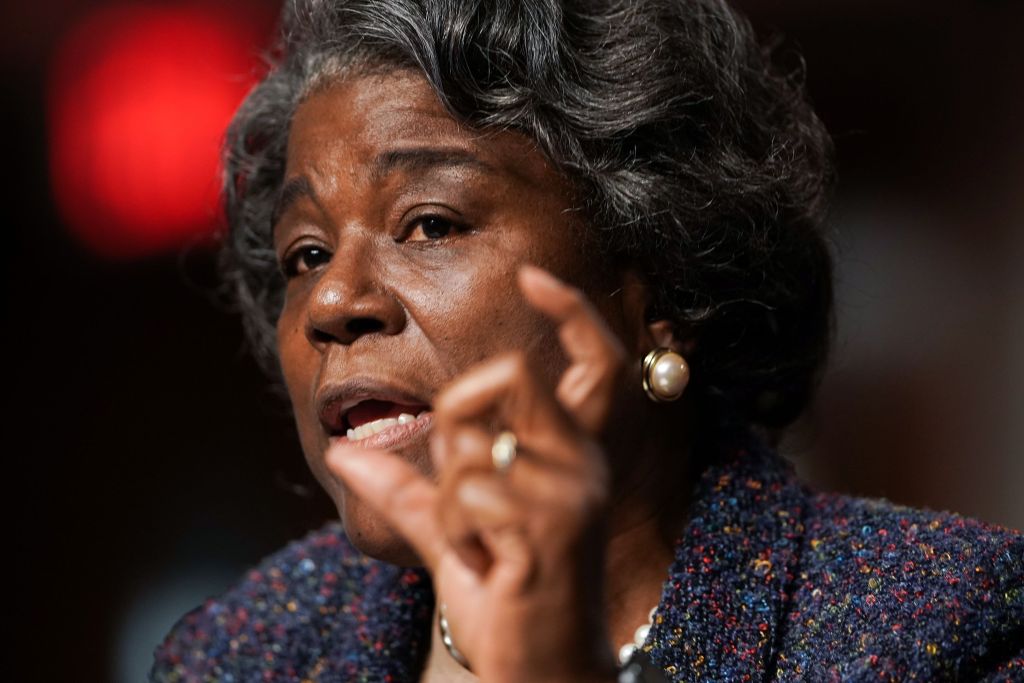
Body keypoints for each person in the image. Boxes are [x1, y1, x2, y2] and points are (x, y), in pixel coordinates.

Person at [151, 0, 1023, 680]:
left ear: (657, 283)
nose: (332, 300)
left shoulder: (943, 629)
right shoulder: (243, 654)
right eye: (305, 253)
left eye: (428, 224)